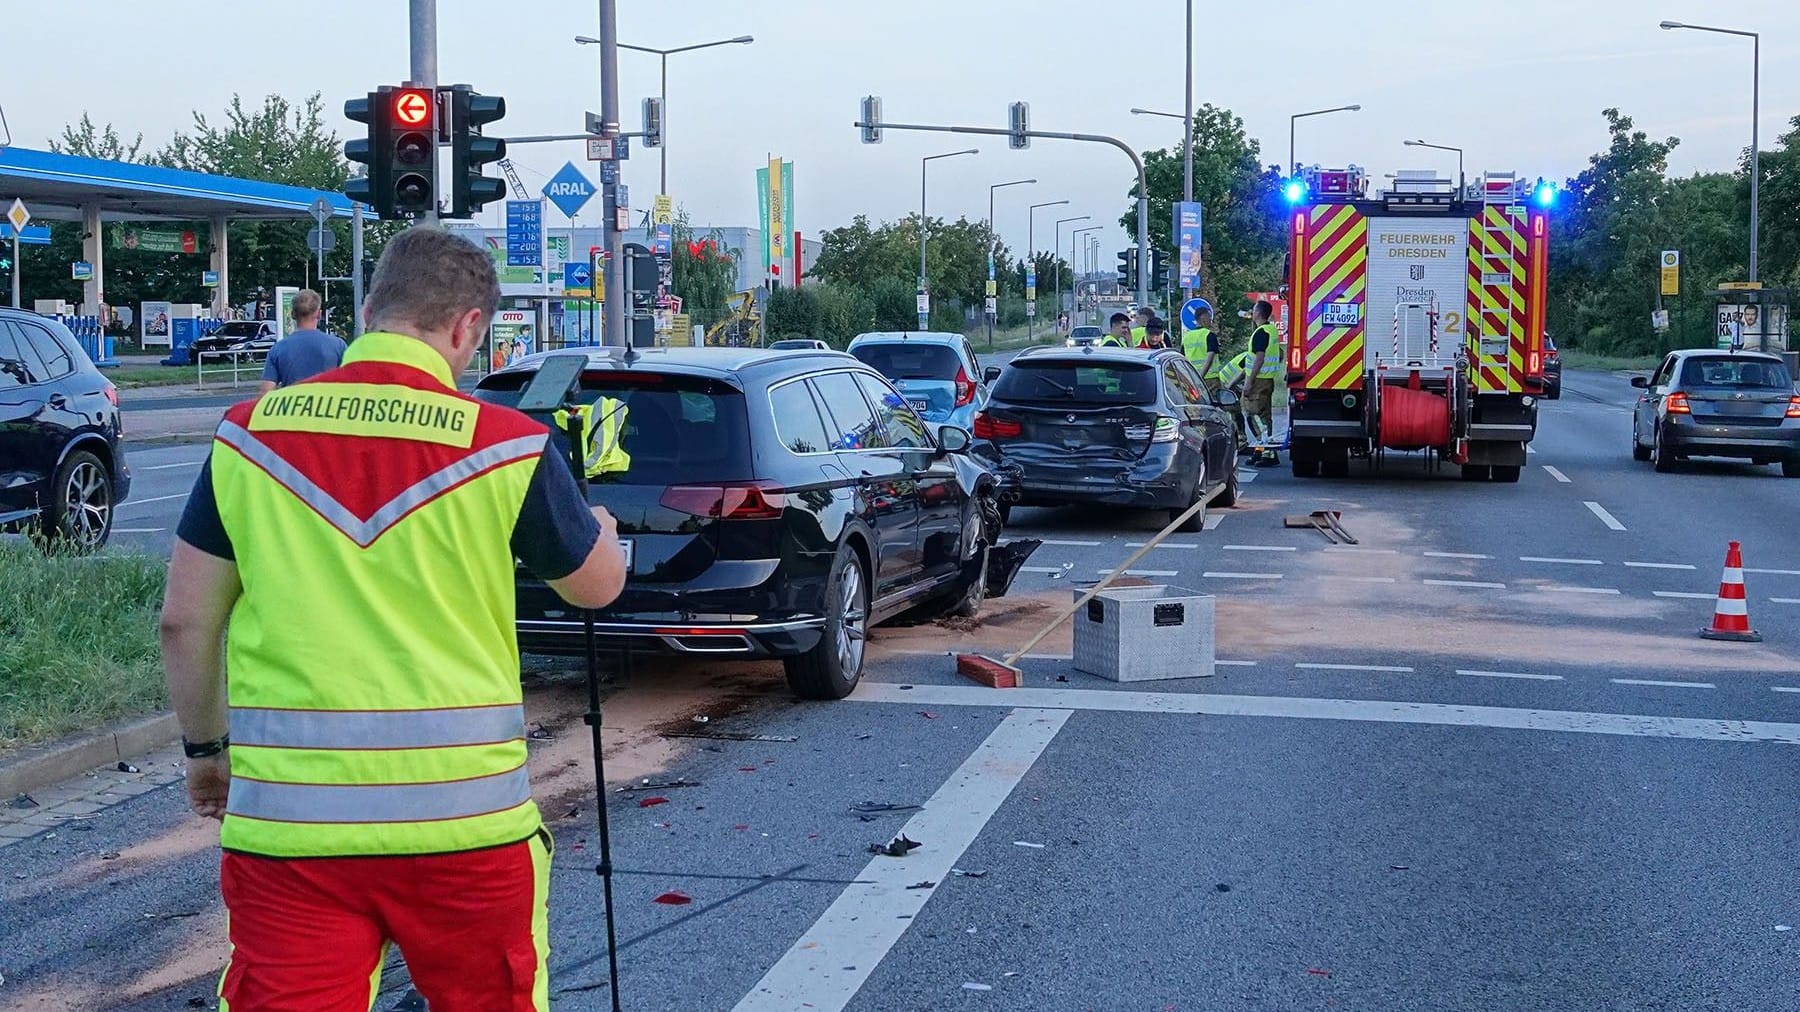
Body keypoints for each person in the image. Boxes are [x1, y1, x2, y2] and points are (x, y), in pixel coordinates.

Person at [158, 226, 628, 1011]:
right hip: (465, 829)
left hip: (292, 834)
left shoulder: (250, 435)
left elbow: (184, 620)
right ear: (467, 327)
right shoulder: (507, 444)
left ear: (370, 307)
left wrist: (207, 751)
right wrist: (603, 530)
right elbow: (594, 588)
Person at [258, 289, 346, 394]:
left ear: (292, 314)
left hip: (292, 408)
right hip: (329, 408)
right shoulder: (338, 345)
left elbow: (265, 392)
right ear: (319, 313)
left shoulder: (278, 349)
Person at [1244, 301, 1283, 466]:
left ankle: (1264, 448)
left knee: (1251, 413)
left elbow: (1259, 358)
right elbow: (1279, 353)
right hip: (1268, 379)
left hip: (1258, 380)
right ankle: (1266, 452)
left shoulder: (1260, 332)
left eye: (1253, 310)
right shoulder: (1271, 330)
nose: (1252, 313)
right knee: (1265, 417)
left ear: (1258, 313)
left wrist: (1249, 381)